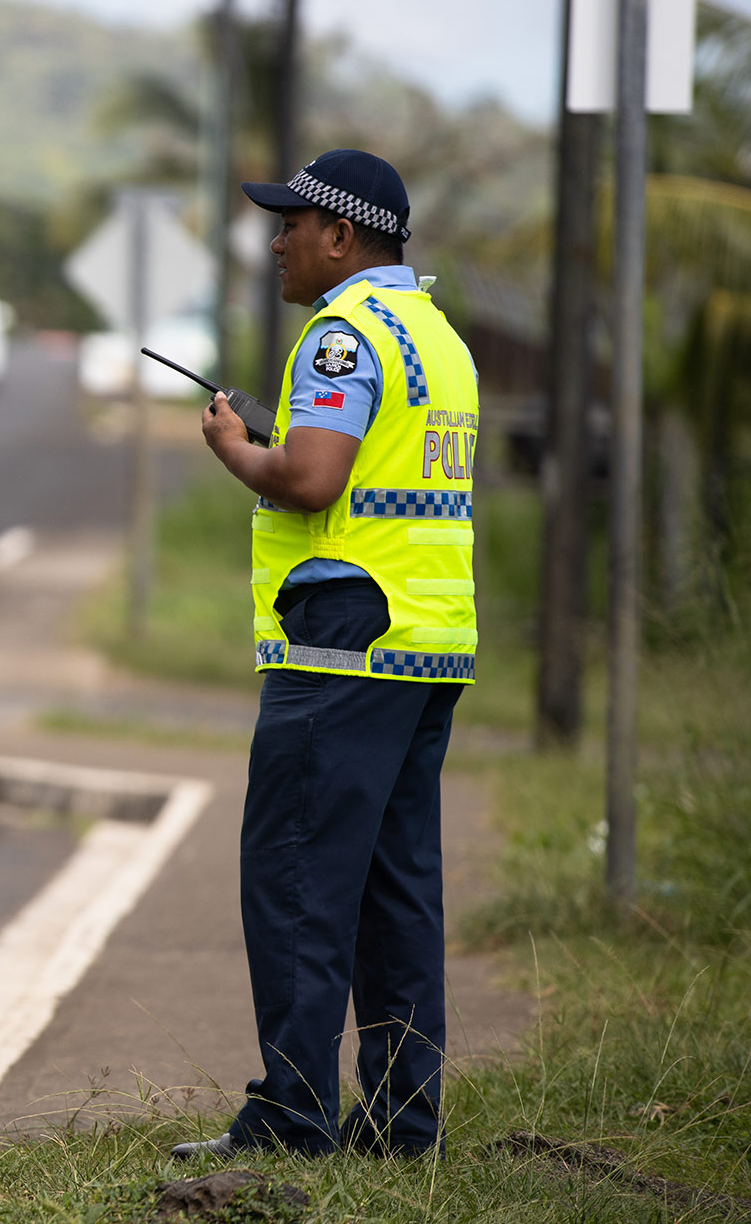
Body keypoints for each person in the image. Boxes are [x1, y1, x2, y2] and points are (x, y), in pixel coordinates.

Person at [175, 149, 478, 1160]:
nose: (274, 241)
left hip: (342, 649)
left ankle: (290, 1114)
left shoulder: (339, 336)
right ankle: (399, 1124)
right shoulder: (435, 336)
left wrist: (233, 449)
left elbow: (308, 478)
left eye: (289, 224)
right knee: (396, 893)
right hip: (423, 648)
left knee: (297, 881)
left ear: (340, 236)